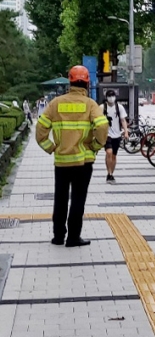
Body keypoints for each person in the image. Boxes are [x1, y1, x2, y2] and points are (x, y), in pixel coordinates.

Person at [36, 65, 109, 247]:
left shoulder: (56, 103)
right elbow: (101, 126)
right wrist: (95, 146)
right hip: (83, 161)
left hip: (61, 161)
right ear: (86, 83)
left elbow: (40, 129)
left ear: (70, 81)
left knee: (60, 198)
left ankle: (58, 236)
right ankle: (73, 237)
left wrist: (51, 147)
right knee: (78, 199)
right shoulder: (90, 104)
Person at [101, 90, 128, 184]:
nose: (111, 98)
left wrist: (126, 132)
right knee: (109, 152)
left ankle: (111, 173)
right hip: (106, 134)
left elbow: (123, 120)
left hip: (117, 134)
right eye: (109, 96)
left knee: (114, 155)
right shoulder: (102, 107)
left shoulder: (119, 107)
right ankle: (109, 174)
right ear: (106, 97)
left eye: (113, 96)